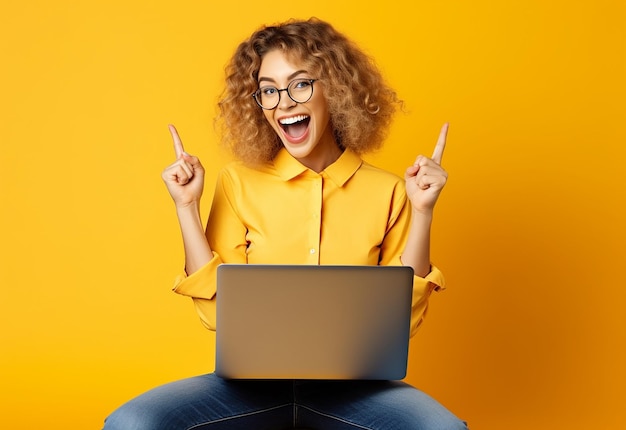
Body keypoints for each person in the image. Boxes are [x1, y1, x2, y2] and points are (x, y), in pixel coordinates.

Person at [104, 17, 467, 430]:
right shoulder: (238, 183)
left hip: (359, 393)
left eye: (300, 84)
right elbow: (217, 317)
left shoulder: (390, 191)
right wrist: (186, 207)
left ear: (335, 88)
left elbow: (404, 320)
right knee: (132, 423)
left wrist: (423, 212)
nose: (283, 102)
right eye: (269, 91)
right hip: (248, 388)